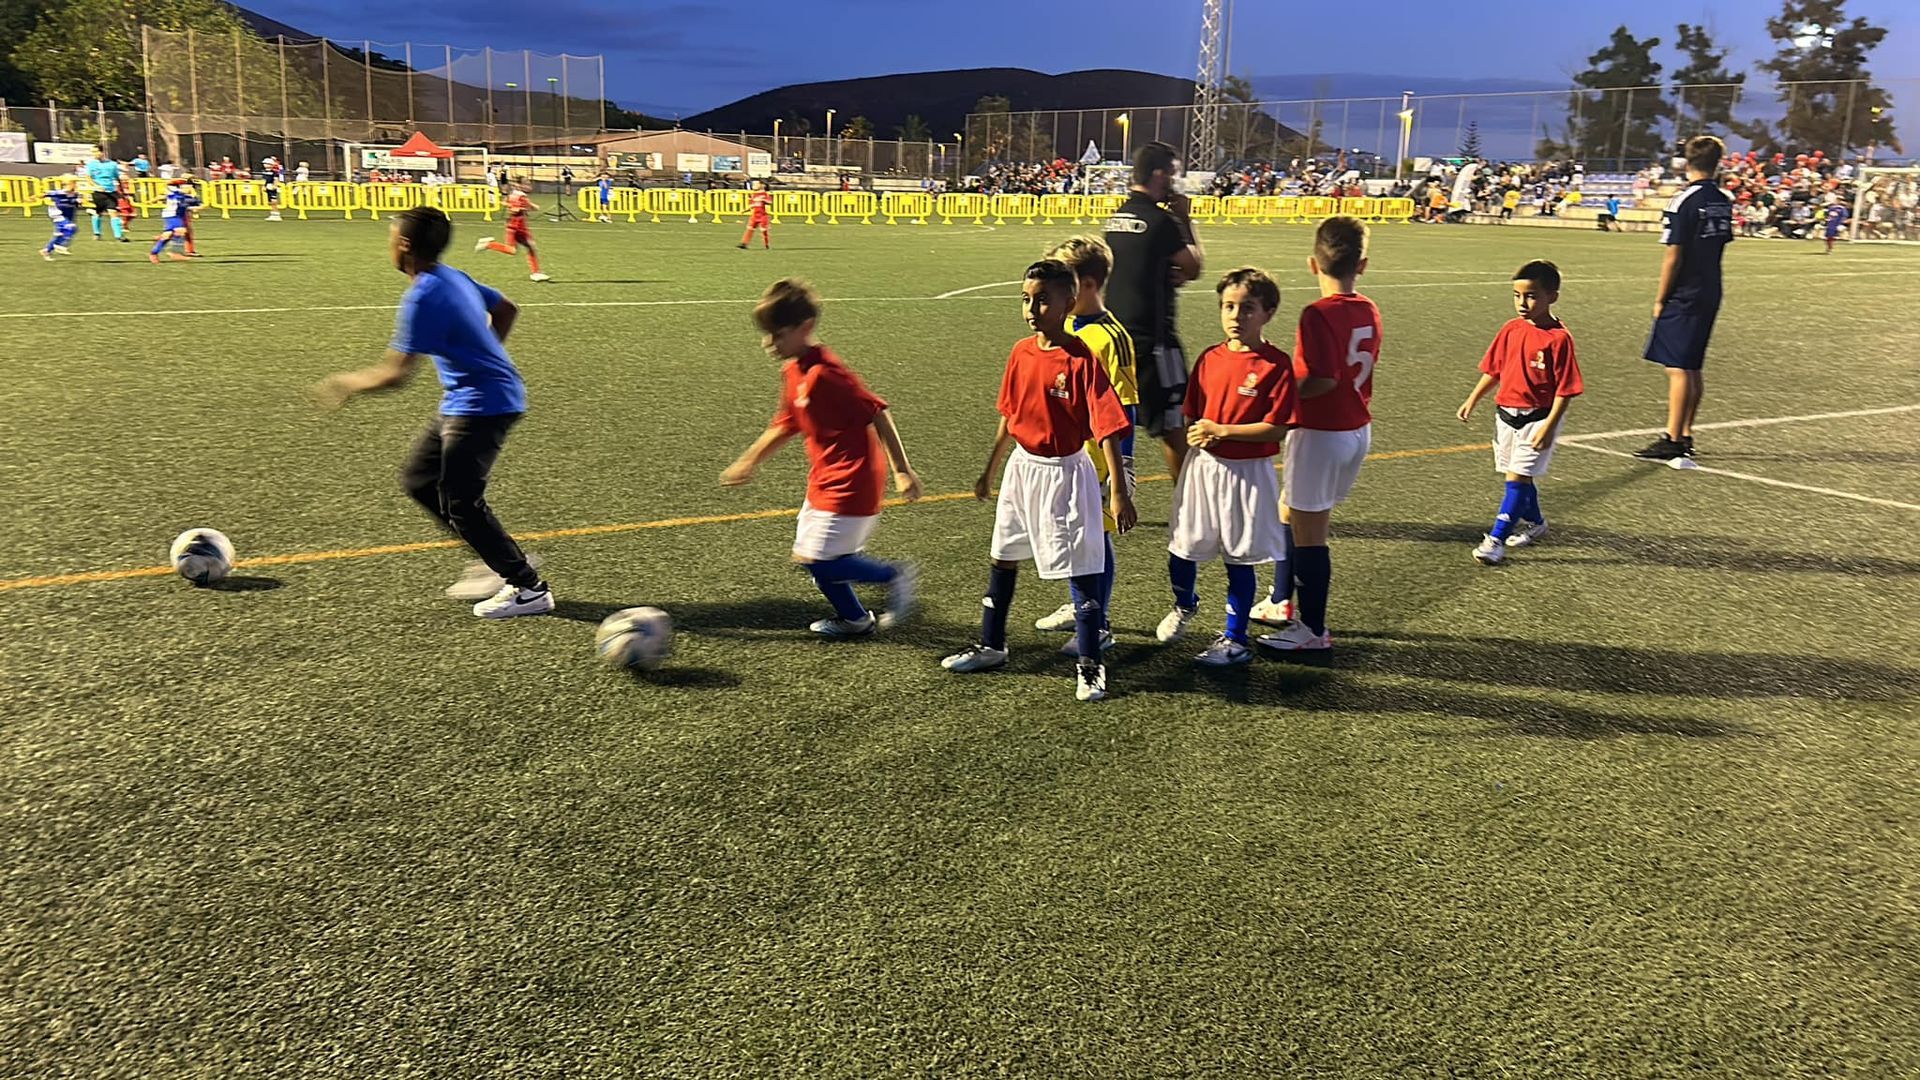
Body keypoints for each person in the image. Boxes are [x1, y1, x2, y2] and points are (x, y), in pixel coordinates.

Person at [312, 206, 554, 619]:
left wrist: (347, 383)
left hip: (484, 404)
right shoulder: (452, 276)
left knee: (461, 500)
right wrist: (483, 355)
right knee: (420, 480)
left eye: (391, 237)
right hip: (469, 399)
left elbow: (396, 373)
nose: (389, 245)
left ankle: (528, 587)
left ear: (405, 245)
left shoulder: (423, 295)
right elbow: (507, 309)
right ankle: (494, 559)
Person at [940, 259, 1137, 703]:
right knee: (1003, 556)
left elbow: (1107, 427)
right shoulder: (1020, 352)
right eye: (1026, 299)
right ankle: (992, 645)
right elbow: (1009, 415)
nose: (1032, 308)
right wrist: (990, 470)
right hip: (1022, 468)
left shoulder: (1081, 359)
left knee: (1082, 566)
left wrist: (1119, 492)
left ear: (1069, 302)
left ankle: (1090, 665)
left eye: (1043, 299)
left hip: (1066, 473)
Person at [720, 279, 924, 637]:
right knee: (812, 557)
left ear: (806, 327)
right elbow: (786, 423)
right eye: (767, 335)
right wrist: (749, 460)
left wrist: (902, 470)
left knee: (818, 561)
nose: (769, 343)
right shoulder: (793, 370)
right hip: (823, 478)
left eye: (778, 334)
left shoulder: (825, 375)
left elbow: (877, 412)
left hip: (853, 478)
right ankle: (855, 619)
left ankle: (893, 575)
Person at [1252, 217, 1381, 656]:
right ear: (1361, 265)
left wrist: (1276, 396)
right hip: (1356, 428)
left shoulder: (1318, 313)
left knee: (1311, 532)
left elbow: (1321, 379)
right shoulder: (1368, 308)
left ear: (1312, 263)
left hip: (1322, 433)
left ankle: (1312, 629)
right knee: (1289, 509)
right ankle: (1279, 600)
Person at [1157, 268, 1296, 666]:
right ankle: (1185, 603)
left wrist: (1223, 430)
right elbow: (1193, 415)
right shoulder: (1210, 358)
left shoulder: (1275, 365)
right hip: (1204, 468)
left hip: (1248, 474)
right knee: (1183, 546)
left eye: (1247, 308)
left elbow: (1278, 427)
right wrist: (1199, 434)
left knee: (1239, 557)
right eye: (1228, 306)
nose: (1236, 316)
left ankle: (1235, 639)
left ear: (1268, 312)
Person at [1030, 234, 1136, 655]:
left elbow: (1125, 408)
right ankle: (1081, 606)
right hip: (1065, 456)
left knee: (1094, 540)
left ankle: (1100, 623)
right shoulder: (1066, 325)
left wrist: (1122, 470)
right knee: (1074, 535)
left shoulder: (1112, 337)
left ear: (1087, 285)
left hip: (1098, 460)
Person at [1455, 260, 1584, 566]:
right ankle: (1536, 523)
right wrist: (1472, 399)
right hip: (1505, 415)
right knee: (1517, 477)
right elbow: (1495, 370)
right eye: (1517, 295)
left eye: (1531, 296)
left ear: (1552, 296)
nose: (1522, 303)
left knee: (1516, 479)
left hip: (1538, 418)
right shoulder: (1511, 329)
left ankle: (1495, 540)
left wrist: (1549, 427)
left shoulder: (1559, 339)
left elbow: (1565, 390)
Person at [1104, 141, 1204, 481]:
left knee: (1112, 426)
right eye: (1172, 173)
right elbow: (1193, 266)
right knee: (1175, 425)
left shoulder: (1116, 219)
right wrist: (1185, 219)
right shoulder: (1161, 222)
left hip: (1115, 339)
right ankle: (1187, 503)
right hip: (1153, 341)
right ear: (1159, 174)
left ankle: (1108, 497)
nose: (1174, 181)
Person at [1634, 134, 1733, 462]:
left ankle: (1673, 439)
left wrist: (1661, 297)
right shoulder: (1722, 199)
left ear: (1686, 162)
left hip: (1685, 292)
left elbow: (1673, 255)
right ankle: (1686, 432)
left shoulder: (1683, 200)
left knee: (1677, 368)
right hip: (1711, 287)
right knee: (1692, 365)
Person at [473, 181, 548, 282]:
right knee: (512, 250)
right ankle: (489, 244)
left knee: (530, 247)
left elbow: (505, 203)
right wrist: (526, 207)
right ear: (521, 185)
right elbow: (527, 208)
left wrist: (512, 206)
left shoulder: (514, 195)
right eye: (527, 184)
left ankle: (536, 273)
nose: (529, 187)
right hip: (515, 226)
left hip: (518, 225)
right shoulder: (521, 196)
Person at [148, 179, 197, 263]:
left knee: (168, 235)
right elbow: (166, 191)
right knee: (181, 231)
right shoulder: (174, 192)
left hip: (176, 215)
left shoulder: (185, 196)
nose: (191, 188)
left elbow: (193, 203)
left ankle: (154, 253)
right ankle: (175, 253)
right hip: (172, 214)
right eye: (189, 186)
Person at [84, 149, 126, 242]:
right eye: (93, 152)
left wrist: (121, 191)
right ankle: (97, 233)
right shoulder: (91, 164)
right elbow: (88, 178)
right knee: (98, 213)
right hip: (98, 193)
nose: (94, 154)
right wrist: (96, 186)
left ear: (102, 152)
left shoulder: (112, 164)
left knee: (113, 212)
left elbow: (117, 177)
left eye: (96, 151)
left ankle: (119, 236)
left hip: (111, 192)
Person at [41, 181, 80, 260]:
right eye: (72, 184)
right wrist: (34, 197)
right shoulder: (59, 193)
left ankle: (47, 250)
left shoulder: (76, 194)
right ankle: (61, 246)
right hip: (57, 214)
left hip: (67, 215)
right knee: (71, 228)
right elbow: (44, 194)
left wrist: (79, 203)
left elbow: (76, 205)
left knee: (61, 234)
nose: (74, 186)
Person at [737, 180, 773, 250]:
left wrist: (763, 200)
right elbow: (752, 205)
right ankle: (744, 243)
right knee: (749, 229)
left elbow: (770, 202)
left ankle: (766, 244)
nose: (754, 186)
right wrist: (745, 210)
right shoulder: (754, 194)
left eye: (756, 184)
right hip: (755, 216)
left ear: (762, 185)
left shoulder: (765, 194)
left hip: (763, 216)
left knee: (764, 230)